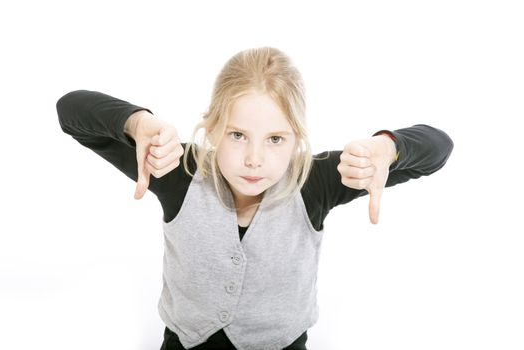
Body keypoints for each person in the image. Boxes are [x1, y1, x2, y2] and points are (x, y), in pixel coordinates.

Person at [56, 47, 453, 350]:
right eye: (237, 135)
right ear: (211, 130)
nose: (254, 159)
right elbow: (70, 109)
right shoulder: (179, 170)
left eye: (275, 139)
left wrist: (389, 147)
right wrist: (136, 122)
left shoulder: (315, 181)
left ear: (297, 138)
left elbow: (439, 147)